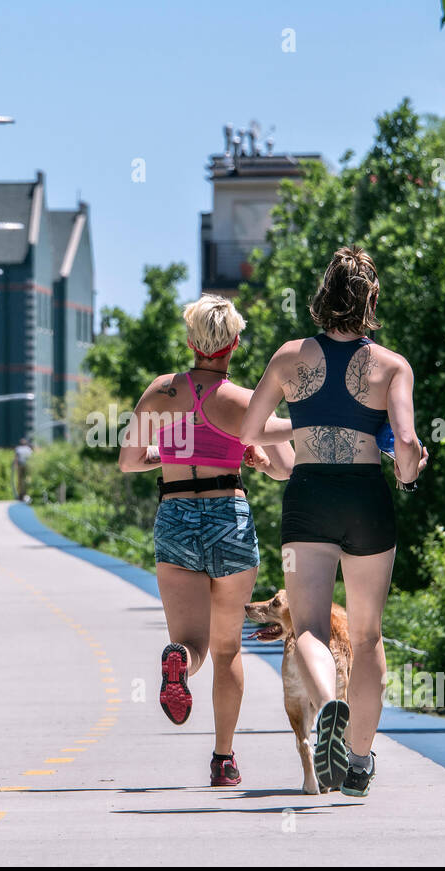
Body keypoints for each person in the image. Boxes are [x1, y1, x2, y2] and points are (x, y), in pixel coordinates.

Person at [241, 246, 428, 797]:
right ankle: (361, 761)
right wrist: (411, 472)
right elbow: (409, 443)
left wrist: (299, 432)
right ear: (371, 300)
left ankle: (327, 707)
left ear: (323, 296)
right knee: (367, 636)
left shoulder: (287, 358)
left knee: (311, 630)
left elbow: (252, 430)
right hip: (367, 500)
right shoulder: (392, 366)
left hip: (309, 499)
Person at [119, 293, 294, 787]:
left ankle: (179, 664)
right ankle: (223, 760)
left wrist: (168, 457)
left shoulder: (160, 393)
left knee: (190, 642)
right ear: (233, 343)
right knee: (227, 649)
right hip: (228, 515)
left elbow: (129, 460)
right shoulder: (243, 402)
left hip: (175, 513)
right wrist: (252, 456)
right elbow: (285, 469)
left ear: (191, 340)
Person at [13, 438, 34, 502]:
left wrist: (15, 465)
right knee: (27, 479)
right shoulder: (29, 449)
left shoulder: (18, 449)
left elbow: (16, 458)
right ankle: (27, 493)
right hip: (28, 466)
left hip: (20, 465)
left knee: (20, 480)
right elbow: (32, 457)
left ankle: (21, 495)